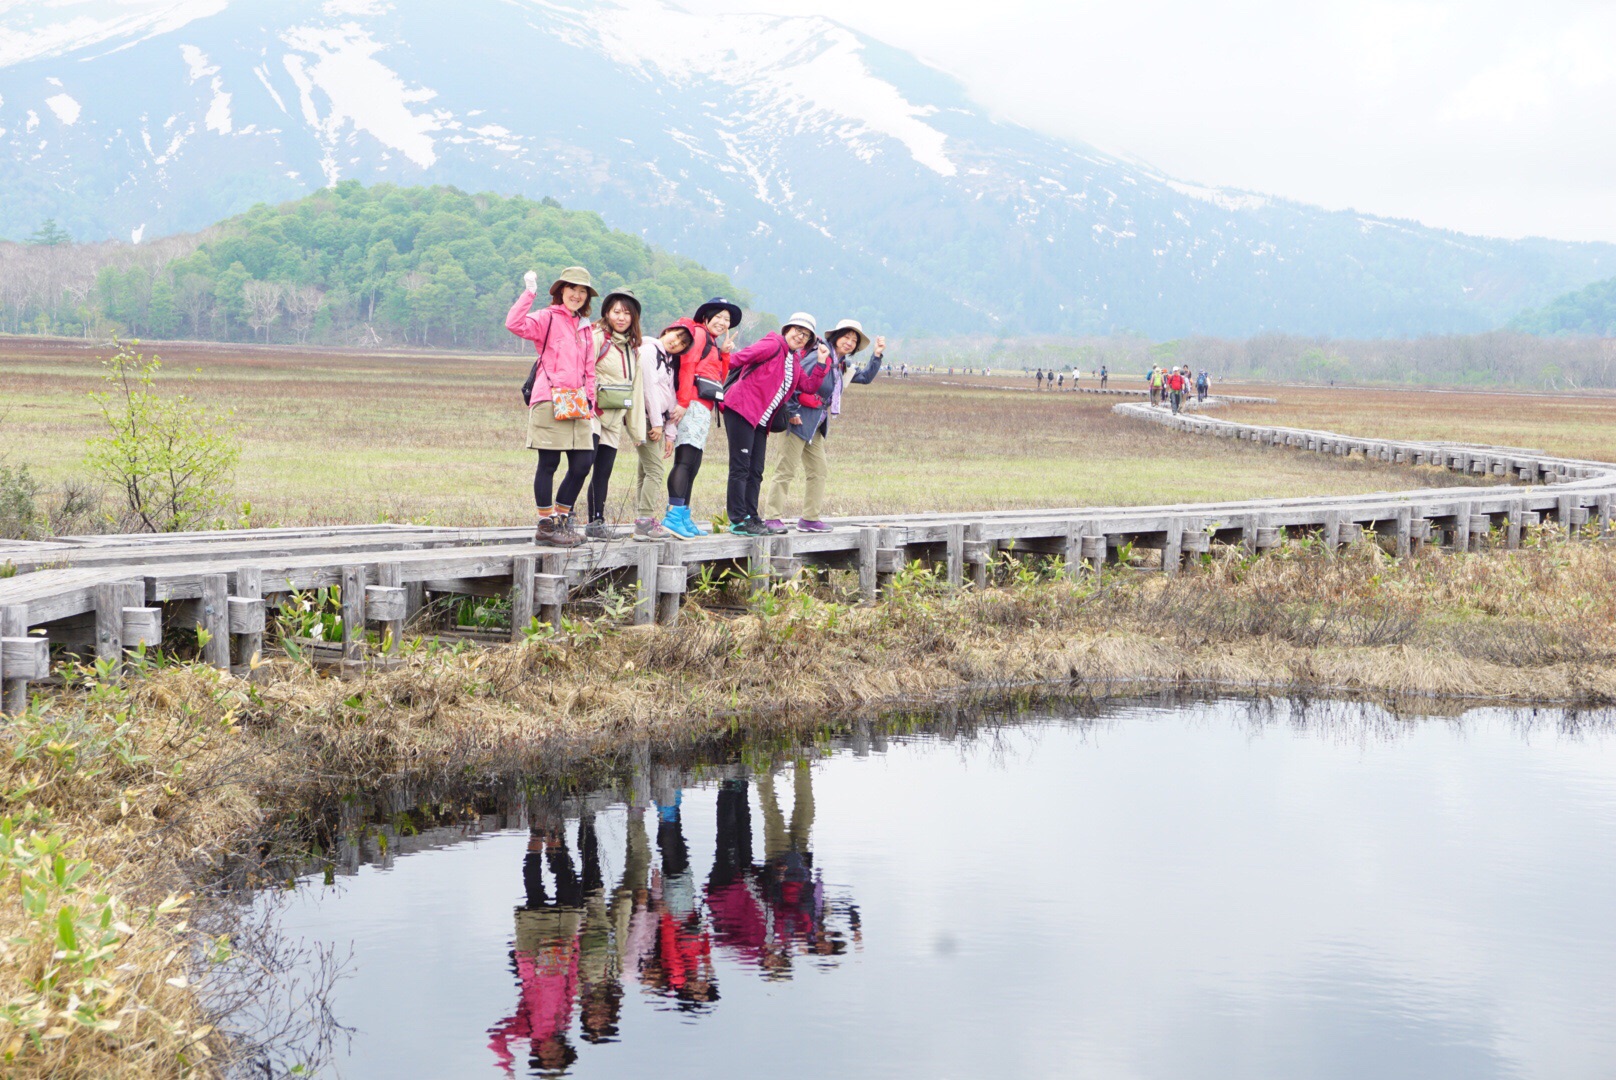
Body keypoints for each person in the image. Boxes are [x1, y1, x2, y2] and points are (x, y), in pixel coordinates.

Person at [762, 319, 883, 532]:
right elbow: (792, 379)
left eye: (854, 341)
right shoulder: (820, 355)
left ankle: (809, 518)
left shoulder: (841, 365)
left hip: (815, 425)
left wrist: (877, 355)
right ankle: (772, 517)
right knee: (785, 470)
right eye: (846, 337)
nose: (849, 342)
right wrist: (791, 411)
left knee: (819, 470)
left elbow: (864, 378)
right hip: (797, 420)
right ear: (836, 337)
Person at [508, 266, 597, 548]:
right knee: (549, 462)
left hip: (577, 401)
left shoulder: (584, 326)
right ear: (561, 291)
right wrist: (529, 292)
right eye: (572, 289)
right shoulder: (547, 317)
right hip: (549, 396)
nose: (577, 295)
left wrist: (591, 400)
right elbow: (514, 323)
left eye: (583, 291)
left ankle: (562, 518)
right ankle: (546, 526)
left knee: (583, 462)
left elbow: (589, 368)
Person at [721, 312, 822, 536]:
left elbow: (808, 386)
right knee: (741, 467)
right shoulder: (773, 344)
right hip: (741, 410)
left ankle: (752, 516)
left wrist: (822, 364)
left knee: (756, 470)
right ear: (787, 329)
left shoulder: (794, 359)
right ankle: (738, 519)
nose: (800, 337)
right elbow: (740, 359)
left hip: (760, 420)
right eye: (798, 331)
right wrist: (724, 354)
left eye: (806, 335)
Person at [660, 297, 740, 539]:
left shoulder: (714, 343)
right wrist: (683, 403)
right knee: (684, 461)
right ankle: (674, 515)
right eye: (719, 317)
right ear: (706, 317)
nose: (723, 322)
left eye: (727, 320)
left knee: (693, 463)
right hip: (692, 404)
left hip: (702, 407)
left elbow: (717, 378)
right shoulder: (700, 335)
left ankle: (683, 514)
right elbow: (687, 366)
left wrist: (725, 355)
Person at [582, 290, 643, 540]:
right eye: (617, 311)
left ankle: (597, 522)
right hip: (593, 414)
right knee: (583, 465)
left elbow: (635, 390)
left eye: (627, 313)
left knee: (603, 471)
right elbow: (583, 371)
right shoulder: (597, 338)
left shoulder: (632, 348)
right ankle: (562, 516)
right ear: (607, 312)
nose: (621, 317)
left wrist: (637, 431)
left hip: (614, 419)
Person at [630, 324, 688, 541]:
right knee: (655, 470)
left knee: (645, 471)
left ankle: (641, 521)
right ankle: (645, 521)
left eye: (682, 344)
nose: (676, 342)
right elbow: (649, 389)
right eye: (677, 336)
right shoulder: (648, 350)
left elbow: (670, 395)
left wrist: (670, 433)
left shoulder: (668, 360)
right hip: (645, 419)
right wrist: (656, 424)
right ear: (665, 332)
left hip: (656, 421)